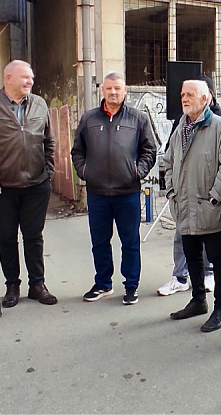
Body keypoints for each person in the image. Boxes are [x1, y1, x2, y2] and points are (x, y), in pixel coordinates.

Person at [0, 60, 57, 308]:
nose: (30, 82)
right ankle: (12, 285)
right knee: (7, 237)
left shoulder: (39, 104)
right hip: (2, 186)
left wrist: (48, 172)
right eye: (25, 77)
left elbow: (49, 141)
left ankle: (37, 284)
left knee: (34, 236)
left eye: (31, 78)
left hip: (37, 184)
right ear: (8, 78)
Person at [71, 72, 157, 305]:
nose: (113, 92)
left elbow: (150, 150)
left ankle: (131, 286)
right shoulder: (89, 119)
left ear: (125, 90)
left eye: (117, 88)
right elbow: (77, 151)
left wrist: (137, 172)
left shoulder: (138, 119)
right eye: (109, 88)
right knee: (99, 241)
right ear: (102, 90)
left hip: (127, 192)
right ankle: (103, 284)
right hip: (97, 193)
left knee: (130, 242)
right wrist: (85, 172)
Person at [162, 79, 221, 332]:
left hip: (210, 210)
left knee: (217, 259)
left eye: (190, 95)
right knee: (191, 256)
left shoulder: (219, 127)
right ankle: (198, 300)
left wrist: (215, 197)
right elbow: (167, 162)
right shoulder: (180, 128)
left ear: (205, 99)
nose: (184, 98)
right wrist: (171, 191)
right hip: (184, 208)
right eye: (182, 94)